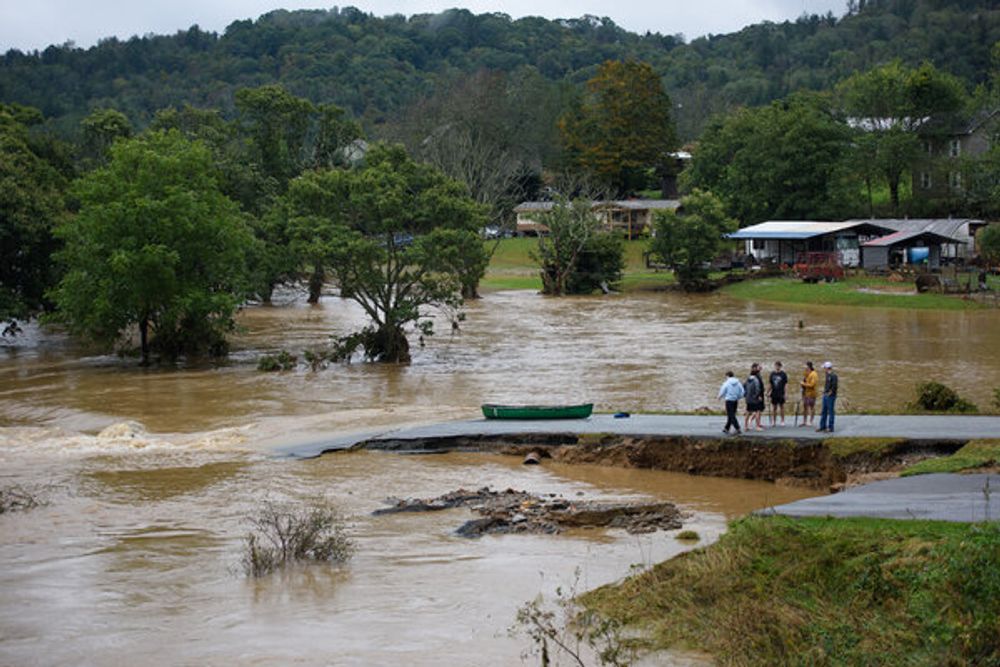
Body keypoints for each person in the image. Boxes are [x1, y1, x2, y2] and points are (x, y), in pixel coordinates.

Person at [717, 370, 745, 435]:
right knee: (732, 414)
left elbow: (723, 390)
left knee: (731, 415)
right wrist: (739, 397)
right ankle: (726, 428)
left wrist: (719, 397)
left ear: (727, 376)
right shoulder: (738, 383)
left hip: (729, 400)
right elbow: (742, 391)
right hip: (735, 400)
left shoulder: (726, 383)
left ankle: (737, 428)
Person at [818, 361, 839, 433]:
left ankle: (831, 427)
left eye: (824, 368)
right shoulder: (827, 375)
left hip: (831, 396)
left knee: (830, 411)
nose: (824, 369)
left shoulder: (834, 376)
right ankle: (822, 426)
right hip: (825, 395)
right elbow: (826, 385)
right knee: (823, 411)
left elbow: (834, 386)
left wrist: (829, 393)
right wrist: (824, 392)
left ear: (827, 368)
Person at [743, 363, 765, 431]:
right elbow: (758, 389)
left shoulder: (748, 379)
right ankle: (757, 426)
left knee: (748, 412)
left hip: (748, 398)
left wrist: (745, 396)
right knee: (758, 411)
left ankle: (746, 426)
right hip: (755, 398)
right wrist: (757, 396)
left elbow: (744, 387)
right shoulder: (756, 379)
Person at [767, 361, 788, 426]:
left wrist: (786, 393)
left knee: (782, 407)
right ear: (775, 366)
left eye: (778, 366)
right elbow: (770, 384)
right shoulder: (772, 374)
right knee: (774, 408)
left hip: (781, 393)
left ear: (780, 366)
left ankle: (782, 421)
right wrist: (767, 392)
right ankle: (774, 421)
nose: (777, 367)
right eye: (776, 366)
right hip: (774, 393)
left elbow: (786, 384)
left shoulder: (783, 374)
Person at [800, 361, 818, 427]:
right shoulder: (806, 373)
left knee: (811, 407)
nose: (804, 368)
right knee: (805, 407)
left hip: (811, 393)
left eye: (806, 366)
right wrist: (802, 387)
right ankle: (804, 421)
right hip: (805, 393)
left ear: (809, 367)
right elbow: (804, 381)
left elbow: (812, 385)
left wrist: (803, 384)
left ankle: (811, 421)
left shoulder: (814, 374)